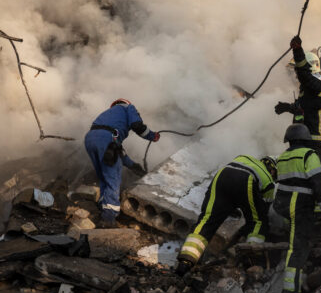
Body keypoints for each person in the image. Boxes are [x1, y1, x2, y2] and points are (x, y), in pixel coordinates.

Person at [176, 155, 277, 275]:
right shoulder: (268, 180)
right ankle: (251, 259)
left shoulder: (244, 158)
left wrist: (230, 206)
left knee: (207, 219)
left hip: (222, 175)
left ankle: (186, 261)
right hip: (246, 181)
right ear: (272, 169)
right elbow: (264, 209)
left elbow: (233, 185)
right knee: (258, 221)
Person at [273, 123, 321, 293]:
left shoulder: (282, 157)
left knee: (295, 246)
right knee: (297, 249)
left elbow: (290, 184)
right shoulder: (309, 155)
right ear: (305, 139)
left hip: (284, 208)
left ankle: (291, 290)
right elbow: (319, 184)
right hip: (299, 209)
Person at [84, 99, 159, 227]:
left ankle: (103, 208)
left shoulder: (108, 116)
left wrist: (133, 166)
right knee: (113, 180)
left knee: (104, 177)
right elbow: (137, 126)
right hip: (106, 140)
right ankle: (108, 219)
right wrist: (152, 136)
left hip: (90, 139)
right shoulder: (128, 108)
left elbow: (116, 149)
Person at [275, 36, 321, 158]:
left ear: (309, 67)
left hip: (313, 139)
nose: (295, 74)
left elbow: (303, 74)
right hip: (306, 138)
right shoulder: (309, 87)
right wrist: (288, 107)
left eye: (297, 70)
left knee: (308, 172)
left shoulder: (317, 84)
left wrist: (298, 51)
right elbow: (305, 107)